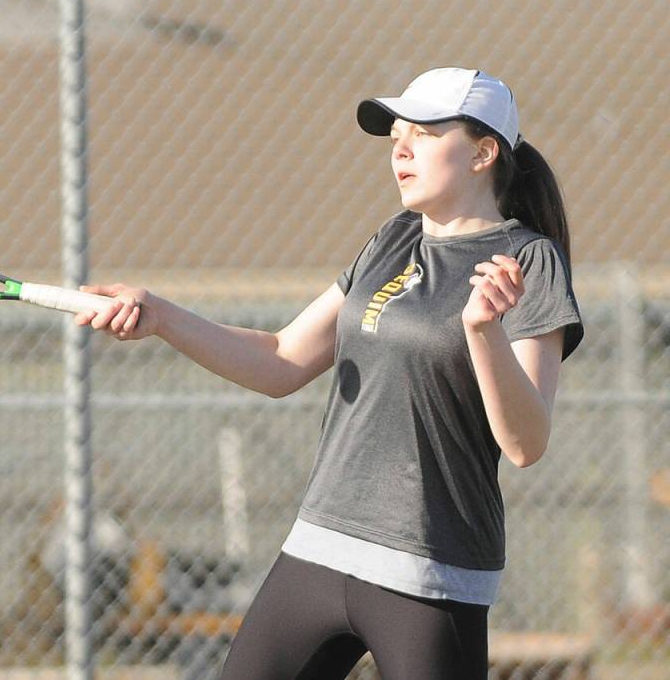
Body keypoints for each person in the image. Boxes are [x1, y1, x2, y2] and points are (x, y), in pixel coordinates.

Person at [73, 67, 584, 680]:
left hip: (428, 569)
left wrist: (482, 332)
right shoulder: (393, 240)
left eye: (422, 132)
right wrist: (160, 317)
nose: (400, 148)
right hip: (318, 548)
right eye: (397, 133)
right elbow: (281, 359)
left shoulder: (528, 260)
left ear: (482, 152)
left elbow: (526, 444)